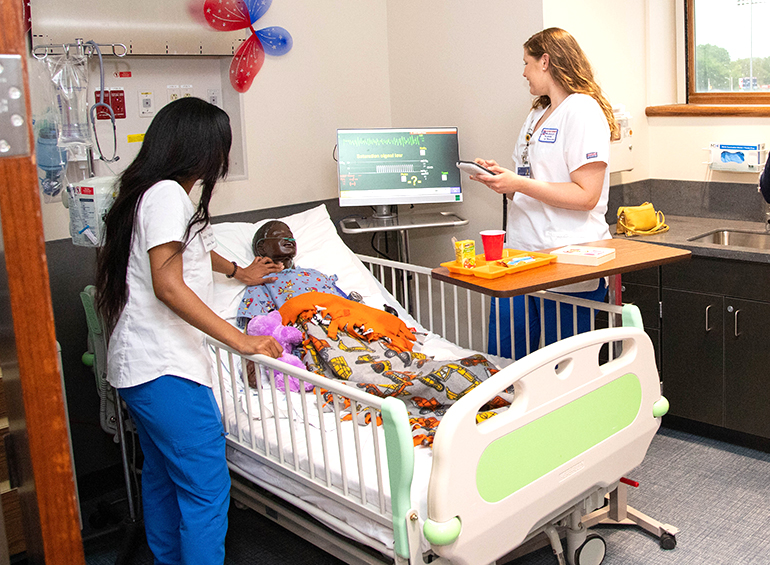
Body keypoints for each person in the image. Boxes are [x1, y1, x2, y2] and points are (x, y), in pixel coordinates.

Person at [95, 96, 283, 565]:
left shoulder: (149, 192)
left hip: (141, 369)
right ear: (203, 149)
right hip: (164, 370)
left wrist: (238, 271)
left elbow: (188, 251)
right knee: (207, 488)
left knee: (161, 477)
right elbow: (168, 284)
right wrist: (242, 341)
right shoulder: (166, 196)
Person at [470, 27, 618, 359]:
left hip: (568, 261)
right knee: (505, 362)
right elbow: (530, 186)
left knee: (563, 370)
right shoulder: (537, 114)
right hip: (522, 257)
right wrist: (502, 180)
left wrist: (519, 184)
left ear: (546, 61)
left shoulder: (582, 111)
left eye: (527, 62)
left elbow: (586, 196)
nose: (523, 72)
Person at [236, 220, 350, 328]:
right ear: (262, 248)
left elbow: (345, 301)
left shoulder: (315, 274)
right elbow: (258, 327)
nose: (288, 239)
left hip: (349, 321)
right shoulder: (262, 282)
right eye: (279, 235)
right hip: (313, 331)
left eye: (290, 236)